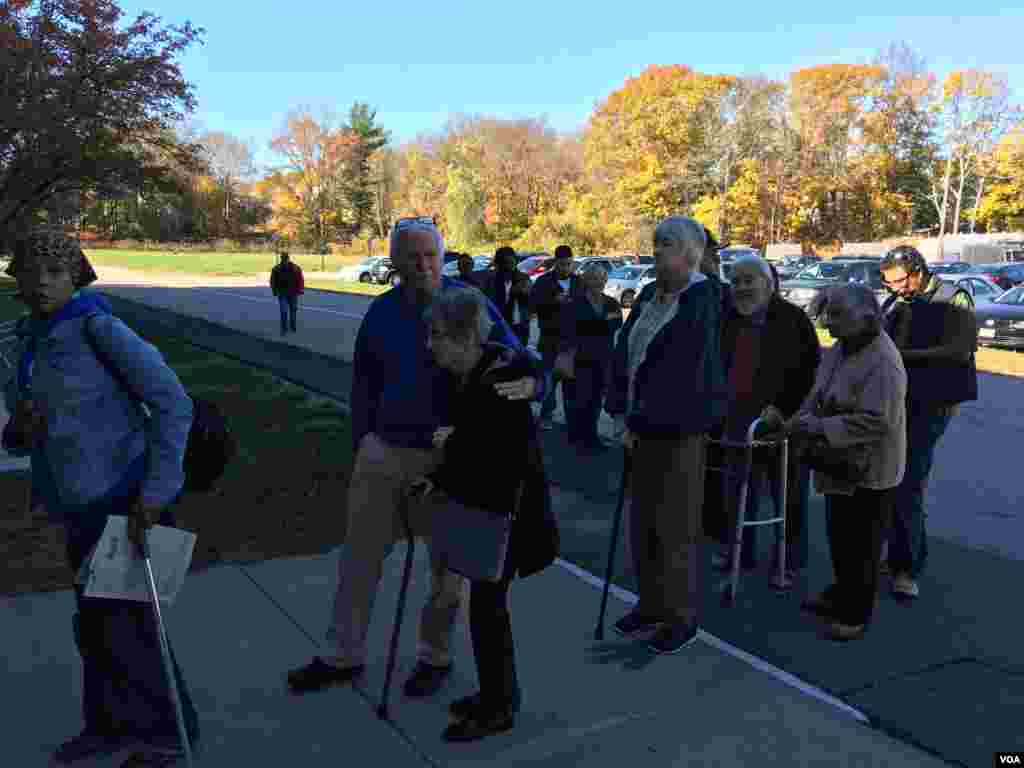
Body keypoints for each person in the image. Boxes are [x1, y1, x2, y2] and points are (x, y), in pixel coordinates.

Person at [286, 217, 550, 700]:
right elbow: (363, 384)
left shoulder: (466, 303)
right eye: (414, 256)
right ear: (397, 263)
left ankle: (435, 655)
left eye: (432, 254)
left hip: (446, 457)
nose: (425, 265)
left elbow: (520, 357)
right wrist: (362, 442)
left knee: (447, 570)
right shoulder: (382, 312)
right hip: (383, 451)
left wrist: (536, 384)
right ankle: (343, 653)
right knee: (360, 559)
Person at [2, 229, 199, 767]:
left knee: (128, 627)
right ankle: (110, 727)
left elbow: (174, 405)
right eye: (31, 272)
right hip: (78, 507)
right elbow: (27, 429)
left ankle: (166, 738)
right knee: (94, 627)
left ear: (76, 277)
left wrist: (155, 494)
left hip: (127, 503)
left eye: (55, 272)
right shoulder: (24, 340)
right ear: (15, 278)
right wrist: (18, 430)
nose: (42, 282)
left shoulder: (99, 329)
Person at [408, 286, 558, 743]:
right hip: (488, 510)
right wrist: (440, 476)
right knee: (486, 609)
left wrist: (452, 443)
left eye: (437, 336)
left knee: (489, 611)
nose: (430, 345)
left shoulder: (500, 378)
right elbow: (477, 444)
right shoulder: (477, 370)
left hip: (508, 516)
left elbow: (501, 454)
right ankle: (495, 694)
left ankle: (499, 707)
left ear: (465, 336)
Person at [604, 216, 727, 653]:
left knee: (674, 528)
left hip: (677, 433)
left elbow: (684, 374)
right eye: (655, 243)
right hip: (640, 431)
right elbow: (625, 350)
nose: (656, 250)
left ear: (692, 253)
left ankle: (680, 617)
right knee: (643, 525)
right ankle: (650, 604)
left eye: (667, 244)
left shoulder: (703, 300)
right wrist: (618, 408)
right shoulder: (650, 297)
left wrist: (641, 420)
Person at [770, 284, 907, 641]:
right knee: (840, 536)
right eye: (828, 315)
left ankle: (855, 613)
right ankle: (841, 593)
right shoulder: (843, 347)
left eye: (836, 316)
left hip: (869, 469)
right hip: (838, 463)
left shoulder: (883, 360)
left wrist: (814, 426)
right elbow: (817, 393)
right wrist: (794, 421)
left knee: (861, 544)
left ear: (865, 317)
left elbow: (878, 421)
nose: (829, 324)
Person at [708, 253, 820, 584]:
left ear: (768, 284)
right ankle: (739, 551)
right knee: (737, 490)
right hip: (736, 419)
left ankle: (788, 560)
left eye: (749, 281)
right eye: (736, 282)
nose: (741, 288)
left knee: (788, 492)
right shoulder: (724, 317)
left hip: (781, 422)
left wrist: (783, 408)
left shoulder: (793, 319)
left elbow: (809, 372)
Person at [878, 245, 977, 600]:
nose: (897, 288)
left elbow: (961, 349)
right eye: (890, 284)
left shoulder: (954, 297)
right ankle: (895, 554)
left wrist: (903, 357)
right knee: (888, 477)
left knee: (909, 481)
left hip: (933, 401)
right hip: (897, 400)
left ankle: (907, 568)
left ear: (919, 271)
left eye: (901, 281)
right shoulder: (898, 301)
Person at [559, 263, 623, 453]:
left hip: (602, 360)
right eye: (594, 278)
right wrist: (600, 325)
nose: (599, 282)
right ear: (586, 281)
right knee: (578, 401)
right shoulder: (573, 303)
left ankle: (591, 437)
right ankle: (577, 437)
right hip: (579, 360)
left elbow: (615, 324)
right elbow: (570, 330)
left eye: (602, 278)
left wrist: (592, 326)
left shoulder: (612, 303)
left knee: (595, 401)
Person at [530, 245, 580, 430]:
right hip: (550, 339)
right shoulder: (543, 281)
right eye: (562, 264)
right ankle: (546, 415)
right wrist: (553, 302)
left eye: (569, 264)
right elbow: (533, 305)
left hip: (572, 340)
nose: (566, 268)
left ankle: (571, 418)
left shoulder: (578, 281)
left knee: (571, 381)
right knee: (549, 380)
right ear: (556, 263)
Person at [480, 246, 532, 346]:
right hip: (498, 326)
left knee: (519, 356)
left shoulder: (524, 278)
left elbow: (532, 302)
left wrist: (526, 293)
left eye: (512, 261)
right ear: (499, 264)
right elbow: (487, 303)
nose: (510, 265)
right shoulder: (491, 280)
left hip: (519, 327)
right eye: (506, 262)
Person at [270, 251, 304, 335]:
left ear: (288, 259)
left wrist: (300, 289)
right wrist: (274, 291)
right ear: (281, 259)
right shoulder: (276, 268)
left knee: (293, 310)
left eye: (285, 259)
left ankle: (292, 326)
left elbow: (300, 279)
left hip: (293, 293)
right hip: (282, 293)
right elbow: (273, 281)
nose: (284, 261)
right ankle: (284, 328)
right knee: (284, 311)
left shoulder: (295, 268)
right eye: (283, 259)